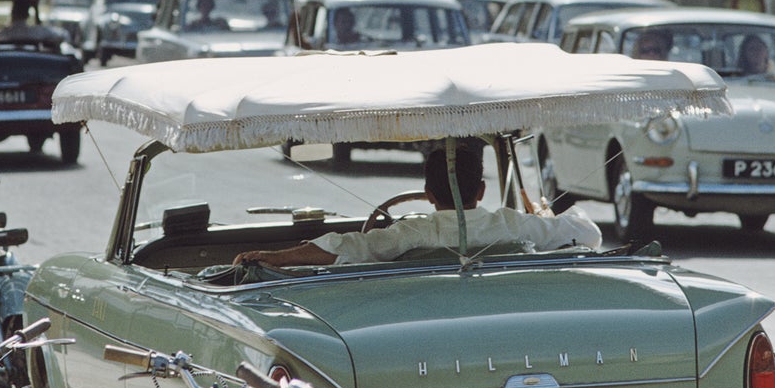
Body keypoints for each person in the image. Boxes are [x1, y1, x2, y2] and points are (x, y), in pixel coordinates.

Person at [233, 142, 601, 269]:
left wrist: (272, 256)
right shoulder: (515, 224)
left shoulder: (410, 233)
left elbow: (342, 248)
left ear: (428, 193)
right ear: (483, 190)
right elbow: (590, 233)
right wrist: (547, 218)